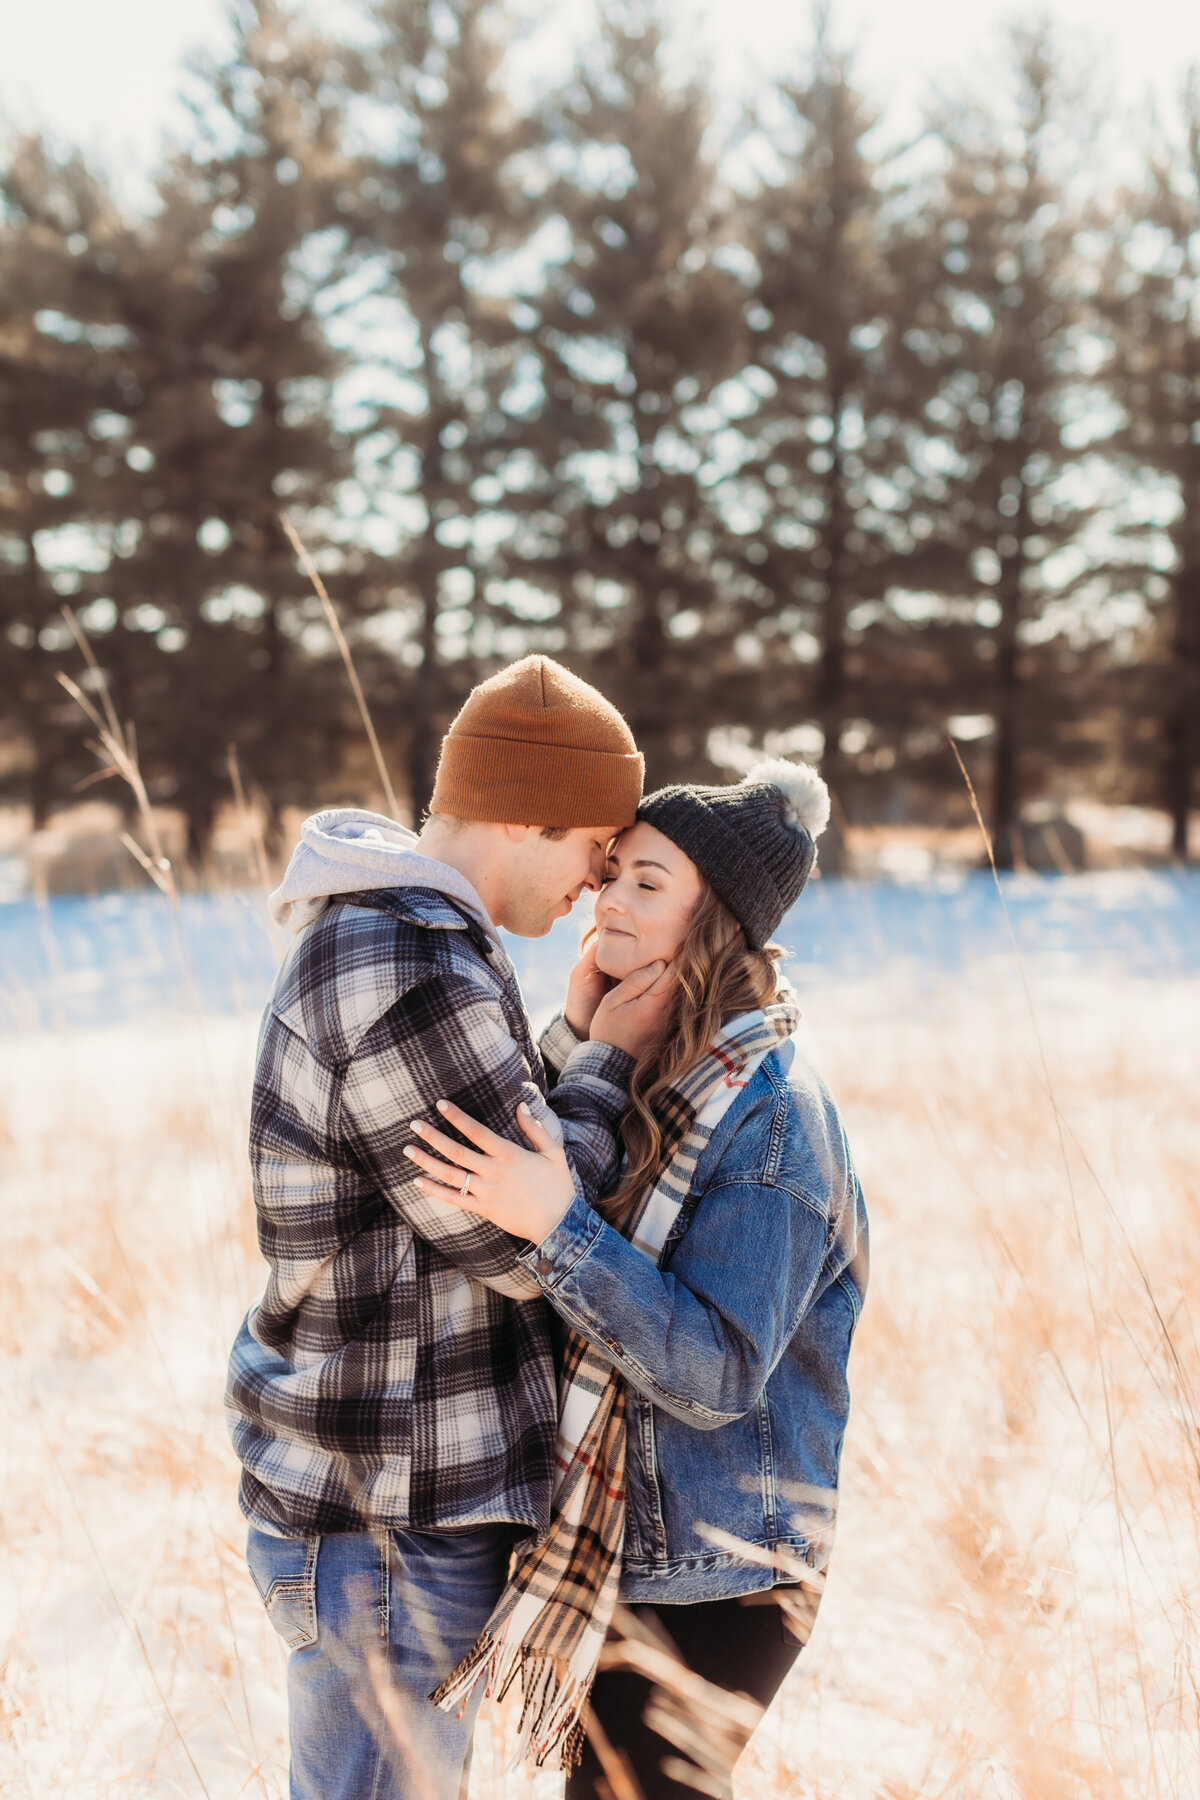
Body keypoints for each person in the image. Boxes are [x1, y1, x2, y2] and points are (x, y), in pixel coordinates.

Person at [224, 655, 674, 1800]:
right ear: (528, 814)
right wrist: (608, 1063)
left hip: (381, 1506)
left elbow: (504, 1171)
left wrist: (566, 1042)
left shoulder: (412, 945)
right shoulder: (409, 962)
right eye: (593, 848)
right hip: (390, 1514)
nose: (598, 884)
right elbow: (526, 1240)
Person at [403, 757, 869, 1798]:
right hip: (631, 1552)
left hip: (725, 1576)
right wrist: (574, 1043)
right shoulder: (656, 1070)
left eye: (647, 883)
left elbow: (714, 1372)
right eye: (610, 873)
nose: (606, 896)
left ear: (717, 926)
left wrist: (561, 1228)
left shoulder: (772, 1119)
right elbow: (541, 1162)